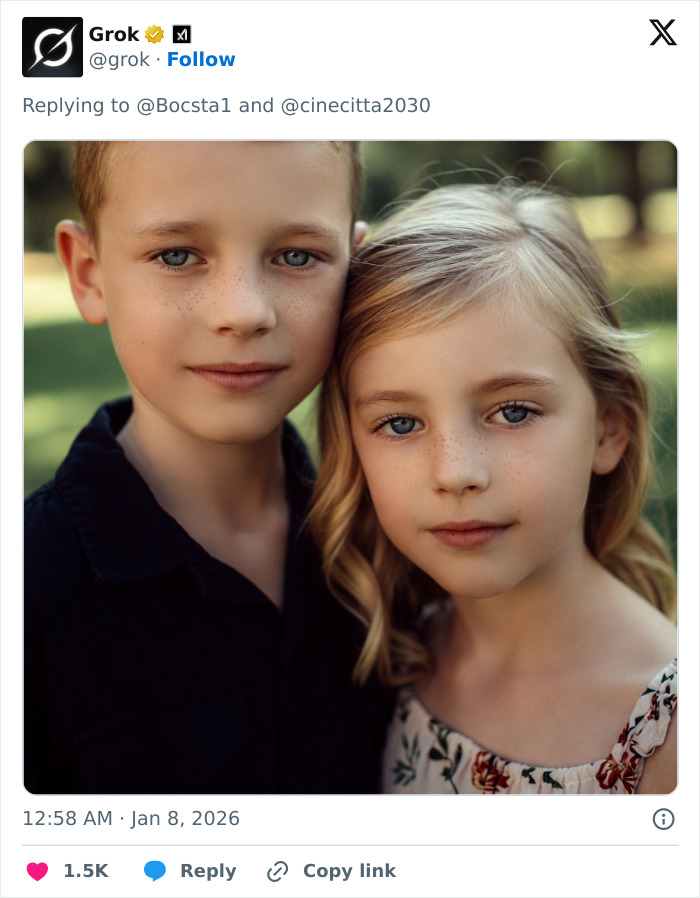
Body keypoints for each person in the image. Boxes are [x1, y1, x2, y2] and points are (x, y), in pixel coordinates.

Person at [24, 140, 392, 794]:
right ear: (89, 273)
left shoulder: (398, 538)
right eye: (176, 255)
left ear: (352, 270)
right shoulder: (28, 594)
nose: (242, 311)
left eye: (297, 256)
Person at [310, 183, 677, 794]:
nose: (456, 473)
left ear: (609, 428)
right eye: (400, 423)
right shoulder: (386, 662)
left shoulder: (669, 737)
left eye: (512, 412)